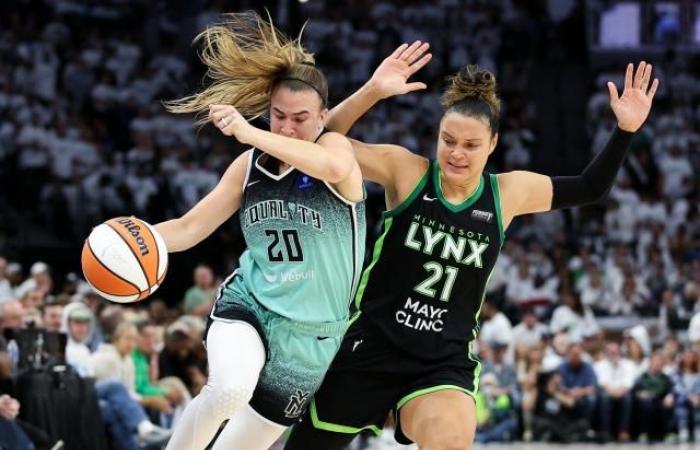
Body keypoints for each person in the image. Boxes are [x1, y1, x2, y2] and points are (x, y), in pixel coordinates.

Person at [285, 41, 658, 450]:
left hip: (440, 361)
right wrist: (373, 90)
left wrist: (625, 130)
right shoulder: (407, 173)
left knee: (450, 442)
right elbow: (323, 143)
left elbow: (590, 186)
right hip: (369, 347)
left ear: (493, 143)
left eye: (471, 145)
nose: (456, 154)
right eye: (448, 141)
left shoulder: (507, 193)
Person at [155, 12, 366, 450]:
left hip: (314, 334)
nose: (287, 126)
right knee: (227, 390)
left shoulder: (334, 150)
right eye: (278, 116)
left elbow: (334, 167)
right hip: (251, 304)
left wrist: (250, 132)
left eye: (300, 118)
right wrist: (139, 238)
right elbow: (191, 226)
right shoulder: (248, 167)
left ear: (324, 116)